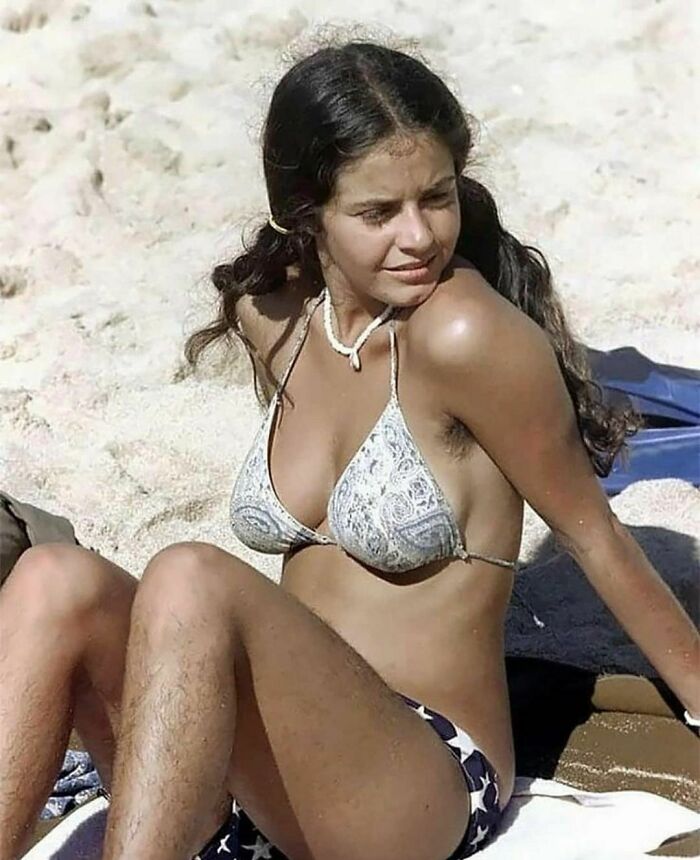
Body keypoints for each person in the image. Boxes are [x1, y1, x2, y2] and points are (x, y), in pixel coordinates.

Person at [0, 38, 698, 860]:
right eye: (378, 213)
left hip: (418, 773)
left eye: (437, 197)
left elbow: (594, 536)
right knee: (54, 578)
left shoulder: (467, 336)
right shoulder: (278, 321)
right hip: (270, 764)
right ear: (304, 214)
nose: (419, 237)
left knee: (191, 575)